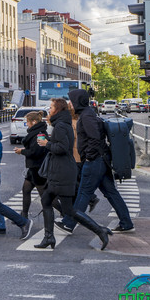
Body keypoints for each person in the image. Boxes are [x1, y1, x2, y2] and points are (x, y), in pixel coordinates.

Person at [35, 98, 111, 250]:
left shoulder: (61, 126)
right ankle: (48, 237)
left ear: (58, 109)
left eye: (51, 107)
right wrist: (50, 141)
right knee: (46, 200)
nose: (49, 110)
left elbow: (62, 148)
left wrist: (47, 144)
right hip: (60, 170)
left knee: (69, 209)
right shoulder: (62, 124)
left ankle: (100, 231)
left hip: (62, 171)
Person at [57, 89, 134, 234]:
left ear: (78, 101)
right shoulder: (88, 113)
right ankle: (126, 222)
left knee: (83, 193)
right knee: (111, 192)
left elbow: (95, 138)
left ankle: (69, 223)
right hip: (100, 160)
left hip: (94, 161)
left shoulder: (86, 116)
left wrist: (88, 156)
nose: (69, 104)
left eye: (71, 101)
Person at [13, 111, 48, 218]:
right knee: (26, 190)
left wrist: (22, 151)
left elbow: (36, 152)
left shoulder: (40, 133)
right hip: (33, 167)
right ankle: (24, 215)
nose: (27, 124)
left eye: (27, 122)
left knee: (45, 196)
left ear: (34, 122)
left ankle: (65, 214)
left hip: (37, 167)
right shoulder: (35, 132)